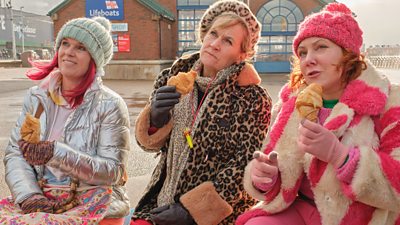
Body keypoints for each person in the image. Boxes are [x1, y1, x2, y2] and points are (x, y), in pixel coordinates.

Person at [236, 2, 400, 225]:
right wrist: (266, 177)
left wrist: (340, 156)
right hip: (300, 207)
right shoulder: (291, 101)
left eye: (320, 47)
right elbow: (278, 172)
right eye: (302, 53)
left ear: (347, 53)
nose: (308, 59)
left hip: (358, 217)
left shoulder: (388, 100)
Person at [132, 1, 272, 224]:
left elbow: (245, 167)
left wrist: (192, 211)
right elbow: (147, 145)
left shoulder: (253, 98)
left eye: (228, 41)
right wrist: (155, 120)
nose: (214, 44)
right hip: (161, 202)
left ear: (242, 54)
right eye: (213, 34)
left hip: (216, 215)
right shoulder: (171, 78)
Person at [0, 16, 131, 225]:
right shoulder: (37, 97)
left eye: (81, 48)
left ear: (94, 59)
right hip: (42, 197)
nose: (69, 51)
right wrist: (29, 196)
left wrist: (56, 153)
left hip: (94, 200)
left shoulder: (110, 104)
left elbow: (113, 172)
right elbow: (16, 154)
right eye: (65, 43)